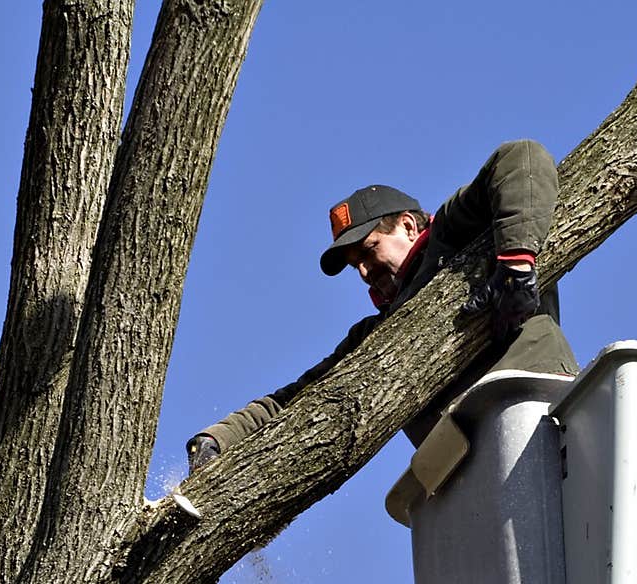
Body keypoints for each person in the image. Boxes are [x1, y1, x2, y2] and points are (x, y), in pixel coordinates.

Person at [186, 140, 578, 471]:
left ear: (409, 226)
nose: (363, 272)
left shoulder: (453, 234)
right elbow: (299, 398)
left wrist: (515, 265)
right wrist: (219, 440)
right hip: (468, 472)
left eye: (369, 251)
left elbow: (522, 159)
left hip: (541, 415)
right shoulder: (376, 335)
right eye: (356, 263)